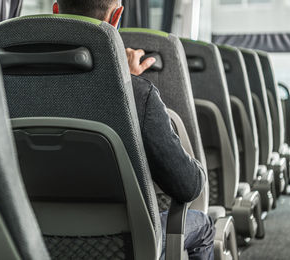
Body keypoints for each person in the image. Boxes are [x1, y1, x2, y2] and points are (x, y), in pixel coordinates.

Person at [53, 0, 215, 259]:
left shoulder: (10, 91)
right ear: (117, 15)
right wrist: (127, 85)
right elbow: (188, 186)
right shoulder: (138, 96)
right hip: (121, 246)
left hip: (34, 239)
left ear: (55, 12)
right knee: (204, 227)